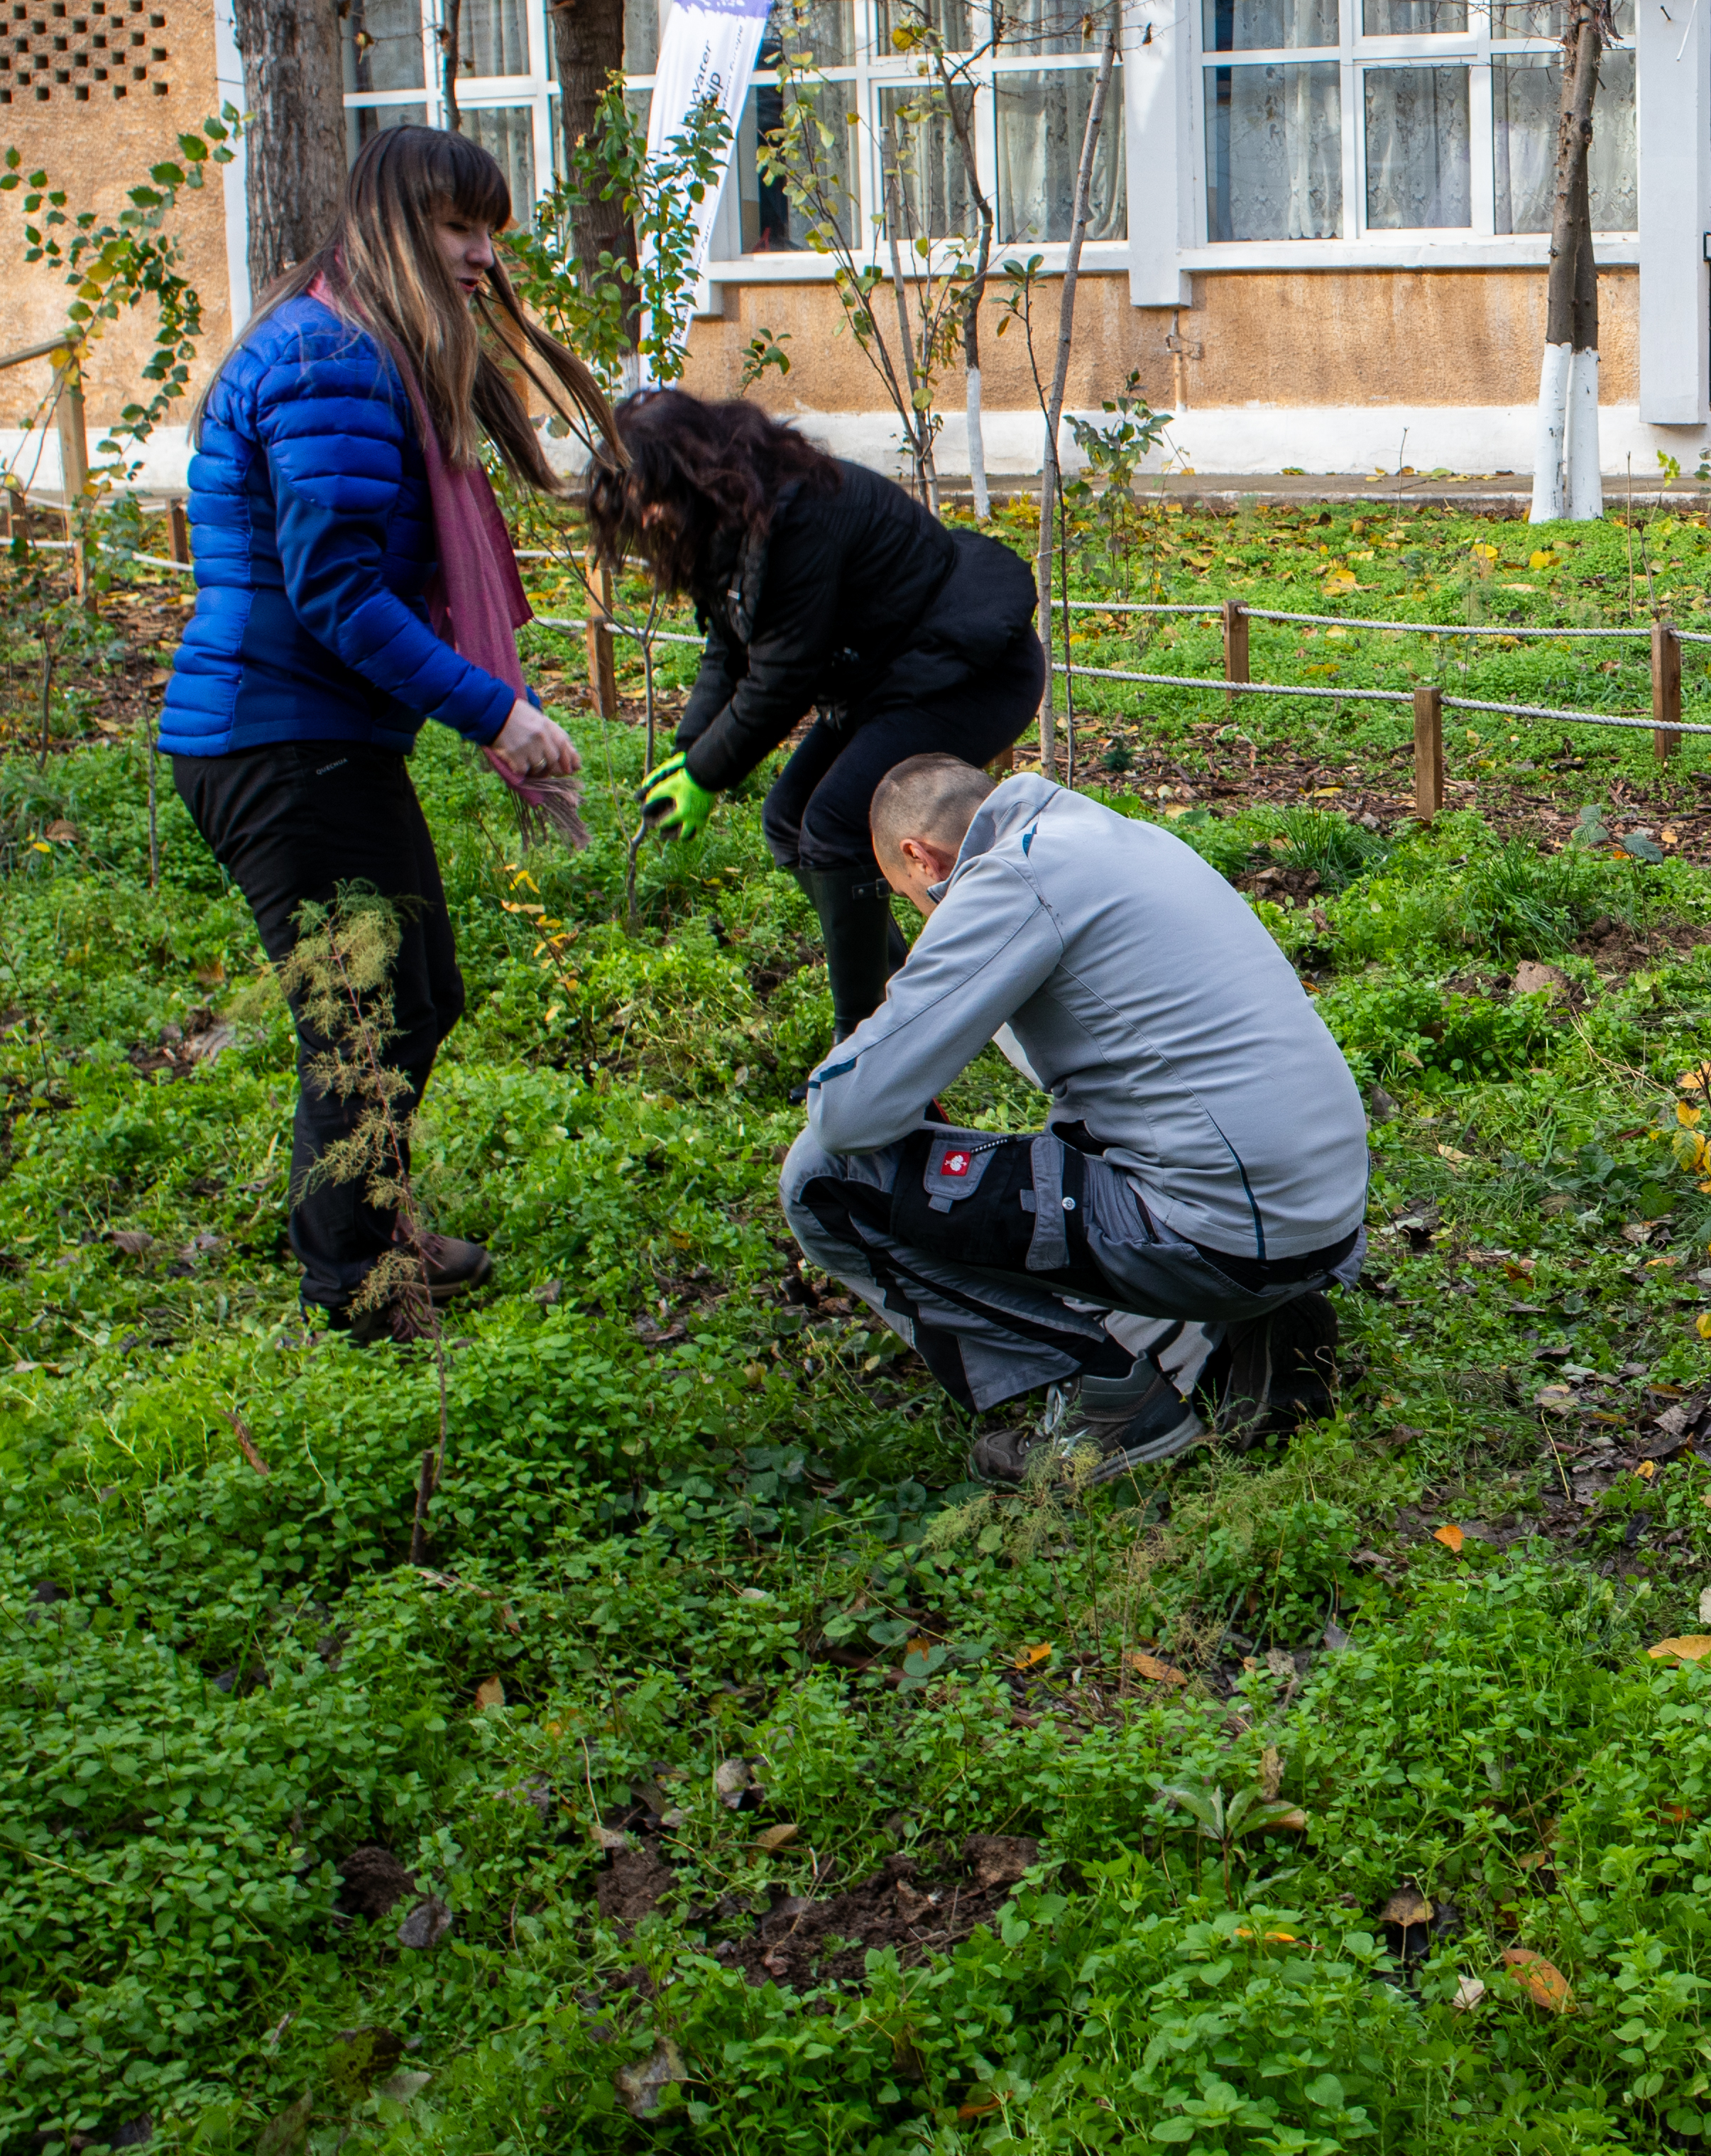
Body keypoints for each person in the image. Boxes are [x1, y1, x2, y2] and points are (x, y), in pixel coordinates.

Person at [159, 125, 611, 1339]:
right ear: (397, 227)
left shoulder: (347, 347)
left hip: (314, 740)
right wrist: (496, 710)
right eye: (461, 230)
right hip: (279, 742)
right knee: (363, 1022)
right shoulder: (331, 363)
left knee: (420, 990)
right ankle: (352, 1289)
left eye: (491, 233)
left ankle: (373, 1216)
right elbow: (339, 594)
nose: (481, 257)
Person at [777, 754, 1366, 1484]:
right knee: (1076, 1140)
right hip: (1322, 1216)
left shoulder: (1012, 878)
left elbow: (848, 1115)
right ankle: (1247, 1332)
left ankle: (1111, 1397)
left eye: (911, 898)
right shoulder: (1124, 838)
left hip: (1231, 1232)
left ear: (918, 858)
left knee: (822, 1177)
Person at [592, 388, 1045, 1046]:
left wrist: (708, 774)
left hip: (968, 675)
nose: (651, 514)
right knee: (787, 819)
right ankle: (902, 998)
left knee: (833, 825)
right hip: (890, 679)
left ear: (696, 468)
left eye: (655, 494)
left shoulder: (802, 514)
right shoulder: (724, 522)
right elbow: (730, 650)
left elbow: (781, 679)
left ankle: (866, 1043)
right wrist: (688, 755)